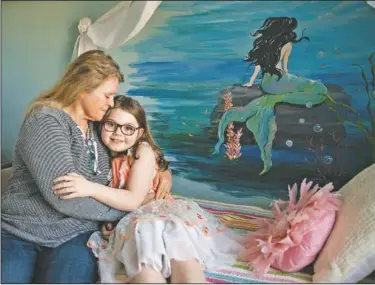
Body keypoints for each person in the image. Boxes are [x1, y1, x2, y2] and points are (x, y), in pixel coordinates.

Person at [1, 50, 172, 284]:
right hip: (21, 231)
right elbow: (64, 197)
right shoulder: (46, 121)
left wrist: (162, 170)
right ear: (83, 88)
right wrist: (130, 207)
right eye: (107, 96)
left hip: (75, 235)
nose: (111, 103)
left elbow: (134, 144)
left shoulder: (98, 126)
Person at [52, 95, 245, 283]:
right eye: (111, 124)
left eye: (128, 128)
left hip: (156, 214)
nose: (118, 132)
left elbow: (133, 200)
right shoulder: (103, 154)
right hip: (135, 219)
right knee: (145, 261)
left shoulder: (141, 151)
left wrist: (88, 188)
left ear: (140, 132)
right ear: (102, 124)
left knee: (180, 253)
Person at [213, 17, 328, 175]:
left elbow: (258, 68)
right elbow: (285, 69)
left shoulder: (266, 45)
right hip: (279, 80)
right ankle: (278, 97)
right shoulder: (287, 45)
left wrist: (250, 83)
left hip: (266, 83)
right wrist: (290, 83)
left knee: (276, 94)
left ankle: (274, 97)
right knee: (319, 89)